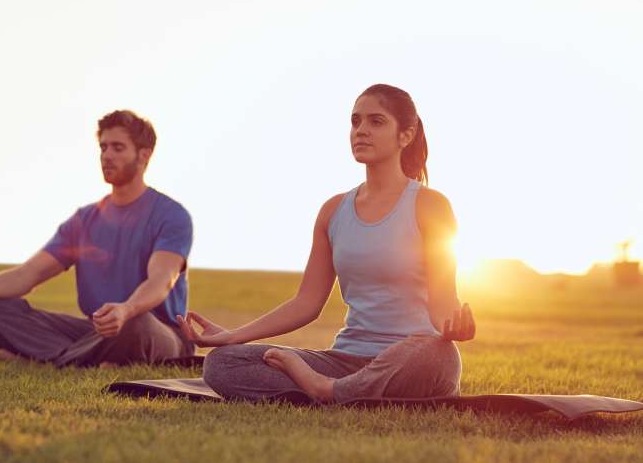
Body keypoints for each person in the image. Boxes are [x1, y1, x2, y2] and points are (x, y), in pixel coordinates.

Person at [178, 84, 475, 402]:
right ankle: (341, 390)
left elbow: (443, 302)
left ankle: (325, 391)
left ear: (406, 134)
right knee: (223, 364)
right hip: (344, 361)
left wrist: (455, 327)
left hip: (412, 356)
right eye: (355, 121)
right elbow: (306, 303)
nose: (361, 131)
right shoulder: (333, 211)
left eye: (376, 122)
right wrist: (232, 336)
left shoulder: (430, 205)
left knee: (436, 353)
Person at [0, 110, 194, 367]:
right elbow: (26, 275)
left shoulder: (171, 215)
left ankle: (38, 356)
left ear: (144, 155)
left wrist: (126, 309)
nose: (106, 155)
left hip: (156, 332)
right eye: (103, 147)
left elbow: (161, 281)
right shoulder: (85, 220)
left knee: (136, 324)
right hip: (96, 331)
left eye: (117, 148)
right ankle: (79, 358)